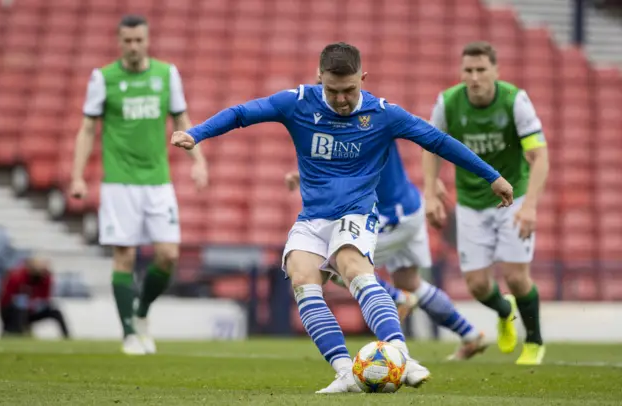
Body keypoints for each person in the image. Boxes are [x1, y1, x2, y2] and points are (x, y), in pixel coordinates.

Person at [171, 42, 513, 393]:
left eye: (350, 89)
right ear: (319, 78)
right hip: (313, 217)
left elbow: (438, 141)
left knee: (351, 265)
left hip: (357, 212)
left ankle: (401, 356)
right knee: (302, 277)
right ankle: (345, 372)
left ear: (362, 78)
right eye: (332, 91)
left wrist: (493, 176)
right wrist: (197, 134)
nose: (342, 99)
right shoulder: (297, 103)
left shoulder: (383, 114)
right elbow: (242, 113)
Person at [69, 15, 208, 355]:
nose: (133, 46)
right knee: (124, 256)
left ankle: (141, 311)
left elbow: (182, 120)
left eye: (138, 40)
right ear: (120, 42)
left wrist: (199, 161)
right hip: (119, 182)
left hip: (158, 181)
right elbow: (88, 129)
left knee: (168, 255)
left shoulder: (166, 74)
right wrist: (77, 175)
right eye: (127, 41)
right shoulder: (103, 79)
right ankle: (129, 333)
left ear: (147, 41)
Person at [284, 141, 488, 361]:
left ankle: (399, 299)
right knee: (409, 281)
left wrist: (432, 184)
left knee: (337, 265)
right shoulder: (368, 120)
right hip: (410, 206)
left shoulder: (368, 121)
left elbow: (430, 135)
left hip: (390, 215)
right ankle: (470, 335)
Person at [422, 41, 549, 365]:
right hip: (470, 201)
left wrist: (531, 205)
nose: (475, 77)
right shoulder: (448, 102)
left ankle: (534, 342)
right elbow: (429, 144)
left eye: (481, 70)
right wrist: (431, 186)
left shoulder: (514, 100)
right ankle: (505, 311)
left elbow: (539, 155)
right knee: (477, 285)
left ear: (495, 71)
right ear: (461, 72)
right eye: (468, 70)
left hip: (513, 197)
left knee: (517, 277)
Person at [0, 257, 70, 339]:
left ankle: (67, 337)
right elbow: (7, 298)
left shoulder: (45, 277)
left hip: (32, 310)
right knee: (20, 309)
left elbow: (45, 298)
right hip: (12, 311)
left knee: (56, 312)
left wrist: (34, 304)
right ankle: (19, 333)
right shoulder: (16, 276)